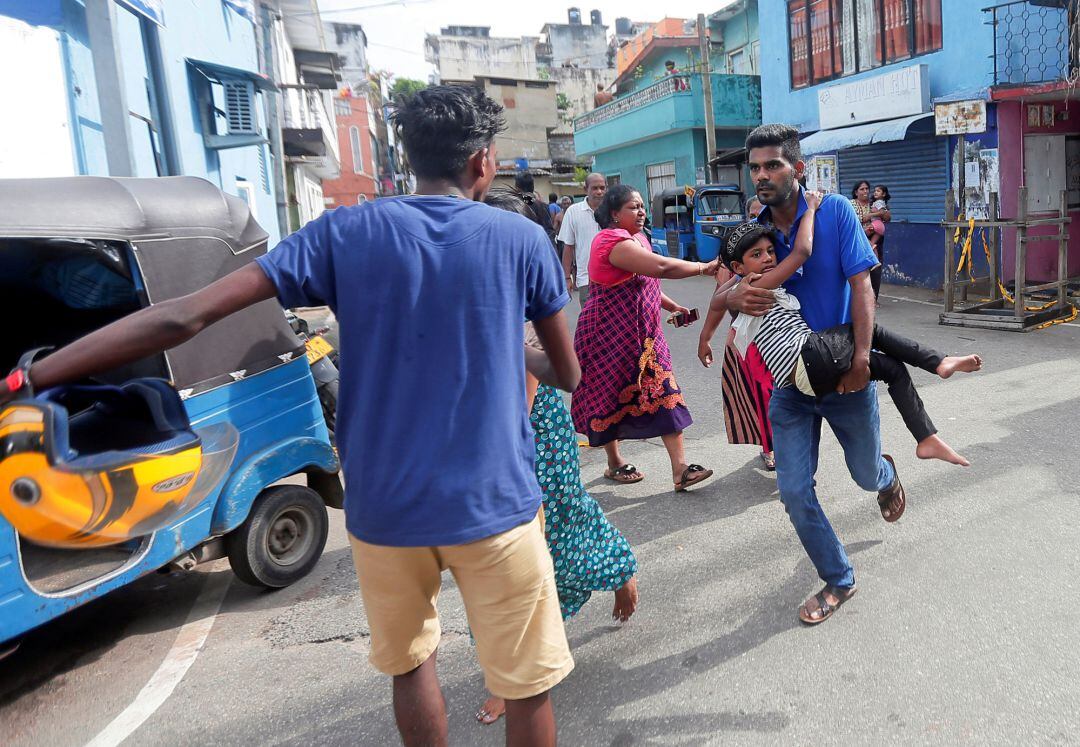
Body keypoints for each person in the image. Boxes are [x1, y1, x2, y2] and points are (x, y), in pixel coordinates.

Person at [1, 85, 582, 747]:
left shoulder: (345, 231)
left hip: (384, 507)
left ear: (410, 155)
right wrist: (520, 352)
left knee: (411, 661)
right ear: (483, 161)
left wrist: (31, 374)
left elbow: (184, 315)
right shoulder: (520, 239)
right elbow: (566, 374)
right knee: (524, 683)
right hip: (496, 502)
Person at [708, 123, 906, 627]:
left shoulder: (834, 211)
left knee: (864, 475)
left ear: (797, 168)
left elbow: (862, 285)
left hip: (842, 375)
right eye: (754, 167)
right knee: (795, 491)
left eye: (772, 164)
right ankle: (839, 577)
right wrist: (731, 298)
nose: (762, 175)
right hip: (790, 386)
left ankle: (885, 475)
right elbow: (726, 291)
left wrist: (863, 359)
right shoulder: (754, 229)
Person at [474, 190, 639, 727]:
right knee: (511, 549)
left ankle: (515, 669)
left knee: (549, 524)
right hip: (492, 424)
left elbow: (528, 376)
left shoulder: (521, 290)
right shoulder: (471, 280)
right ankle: (510, 665)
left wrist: (503, 442)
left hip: (523, 426)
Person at [718, 203, 981, 470]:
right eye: (757, 254)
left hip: (804, 376)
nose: (768, 258)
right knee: (866, 329)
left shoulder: (742, 288)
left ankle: (926, 437)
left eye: (771, 251)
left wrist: (707, 333)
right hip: (807, 357)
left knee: (893, 369)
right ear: (739, 267)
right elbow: (802, 251)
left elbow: (718, 300)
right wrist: (810, 209)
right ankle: (937, 362)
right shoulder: (754, 286)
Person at [571, 184, 717, 491]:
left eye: (641, 206)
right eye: (632, 207)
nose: (640, 212)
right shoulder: (609, 240)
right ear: (613, 214)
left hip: (645, 335)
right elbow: (661, 267)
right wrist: (704, 267)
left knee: (665, 391)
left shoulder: (637, 238)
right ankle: (614, 462)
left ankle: (680, 470)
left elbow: (645, 278)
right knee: (608, 394)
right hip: (607, 334)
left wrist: (671, 304)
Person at [558, 173, 607, 306]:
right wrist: (567, 278)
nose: (599, 192)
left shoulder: (614, 210)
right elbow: (568, 247)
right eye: (595, 188)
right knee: (590, 324)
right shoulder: (573, 212)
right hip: (587, 280)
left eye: (602, 188)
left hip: (613, 278)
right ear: (586, 189)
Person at [850, 180, 891, 299]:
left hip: (875, 239)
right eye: (862, 189)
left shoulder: (875, 203)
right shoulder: (850, 204)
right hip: (858, 238)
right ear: (856, 192)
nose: (865, 191)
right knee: (859, 268)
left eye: (867, 189)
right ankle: (859, 297)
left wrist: (879, 214)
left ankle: (874, 298)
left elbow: (888, 217)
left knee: (875, 268)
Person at [514, 171, 555, 240]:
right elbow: (549, 232)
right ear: (532, 187)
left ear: (517, 188)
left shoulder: (512, 205)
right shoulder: (542, 206)